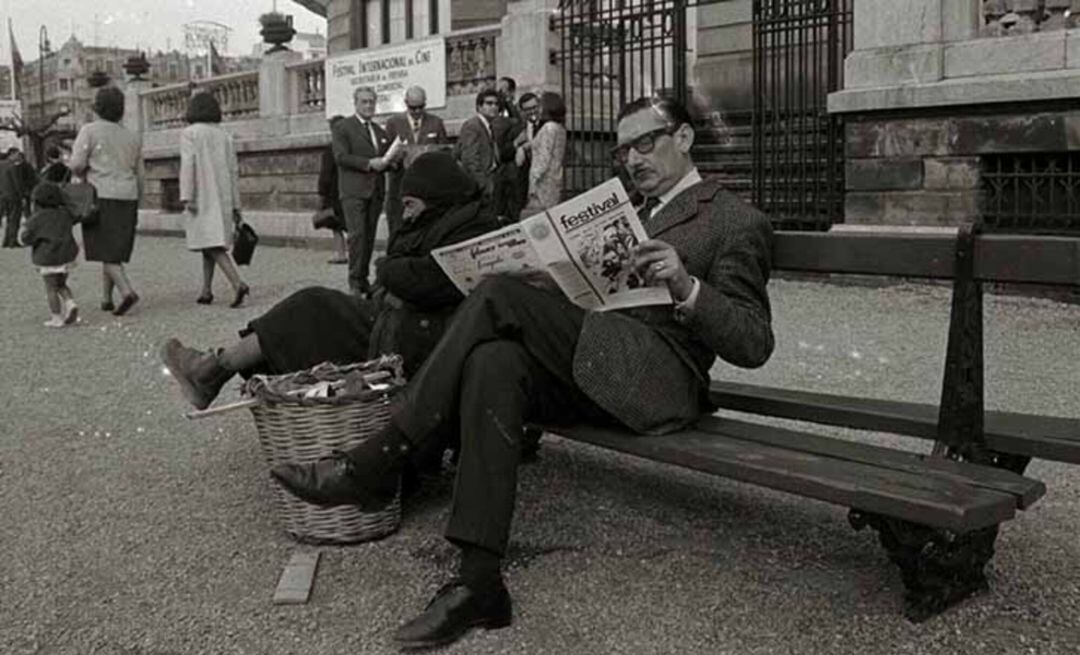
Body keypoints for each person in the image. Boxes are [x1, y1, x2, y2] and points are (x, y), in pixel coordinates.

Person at [270, 95, 776, 649]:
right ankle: (479, 583)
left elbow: (754, 343)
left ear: (683, 138)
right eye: (623, 149)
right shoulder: (626, 207)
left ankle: (381, 457)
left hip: (658, 379)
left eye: (646, 142)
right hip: (593, 363)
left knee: (496, 297)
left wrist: (687, 286)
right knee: (495, 359)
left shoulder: (732, 219)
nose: (633, 158)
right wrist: (548, 279)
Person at [159, 151, 499, 408]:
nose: (406, 213)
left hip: (419, 333)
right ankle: (213, 368)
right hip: (402, 318)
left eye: (410, 204)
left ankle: (211, 370)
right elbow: (405, 268)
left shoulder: (472, 227)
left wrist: (385, 269)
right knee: (310, 314)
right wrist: (392, 270)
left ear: (434, 197)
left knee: (313, 306)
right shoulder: (440, 219)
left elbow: (426, 281)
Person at [69, 86, 143, 316]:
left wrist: (82, 174)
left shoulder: (89, 130)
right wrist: (138, 198)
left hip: (100, 195)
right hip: (128, 194)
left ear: (97, 107)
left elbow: (77, 164)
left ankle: (127, 291)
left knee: (103, 248)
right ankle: (106, 299)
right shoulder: (132, 136)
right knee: (113, 250)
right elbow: (140, 173)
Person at [179, 92, 250, 308]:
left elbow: (188, 165)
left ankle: (237, 283)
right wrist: (237, 205)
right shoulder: (224, 135)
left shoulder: (190, 133)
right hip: (223, 196)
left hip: (201, 196)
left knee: (211, 243)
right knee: (209, 242)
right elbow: (233, 171)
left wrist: (186, 195)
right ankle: (206, 290)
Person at [334, 86, 393, 297]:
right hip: (353, 191)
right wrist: (369, 163)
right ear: (355, 103)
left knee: (368, 237)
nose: (368, 106)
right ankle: (354, 282)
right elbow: (341, 157)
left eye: (371, 102)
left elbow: (385, 158)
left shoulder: (379, 131)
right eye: (364, 102)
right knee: (357, 236)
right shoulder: (343, 127)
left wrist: (394, 159)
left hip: (375, 191)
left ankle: (363, 278)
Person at [383, 85, 448, 239]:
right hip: (400, 187)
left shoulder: (436, 122)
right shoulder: (393, 123)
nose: (417, 111)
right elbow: (385, 156)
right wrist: (396, 159)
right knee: (398, 231)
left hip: (427, 187)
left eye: (421, 107)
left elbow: (445, 153)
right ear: (406, 103)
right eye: (413, 108)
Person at [19, 182, 79, 327]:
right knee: (61, 284)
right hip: (67, 255)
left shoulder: (37, 218)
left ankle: (56, 317)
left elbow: (26, 238)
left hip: (48, 257)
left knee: (50, 288)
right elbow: (76, 213)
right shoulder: (65, 214)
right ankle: (70, 303)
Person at [522, 92, 568, 215]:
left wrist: (532, 184)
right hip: (555, 178)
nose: (538, 110)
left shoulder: (548, 128)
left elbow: (543, 159)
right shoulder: (560, 128)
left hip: (543, 183)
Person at [313, 115, 349, 265]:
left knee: (336, 226)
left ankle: (340, 253)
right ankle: (354, 253)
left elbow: (325, 176)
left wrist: (321, 198)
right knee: (351, 225)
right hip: (351, 191)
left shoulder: (331, 149)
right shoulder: (352, 147)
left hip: (334, 195)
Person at [455, 89, 502, 198]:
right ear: (479, 107)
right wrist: (484, 186)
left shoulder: (489, 126)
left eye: (496, 104)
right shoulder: (472, 126)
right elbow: (470, 159)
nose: (494, 107)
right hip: (478, 188)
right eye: (489, 103)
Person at [512, 93, 541, 215]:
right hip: (525, 177)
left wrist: (525, 147)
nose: (532, 111)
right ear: (522, 111)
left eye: (535, 107)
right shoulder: (518, 127)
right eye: (528, 109)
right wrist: (516, 143)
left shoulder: (547, 124)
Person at [1, 149, 35, 248]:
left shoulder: (1, 165)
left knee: (8, 218)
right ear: (12, 154)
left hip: (3, 195)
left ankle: (6, 241)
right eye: (17, 154)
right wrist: (22, 196)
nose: (19, 156)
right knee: (14, 218)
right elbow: (17, 183)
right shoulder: (14, 166)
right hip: (14, 196)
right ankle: (12, 241)